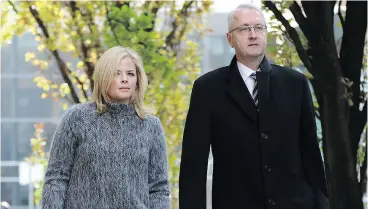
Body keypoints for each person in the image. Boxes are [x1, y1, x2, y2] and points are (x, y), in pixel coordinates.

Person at [179, 4, 328, 209]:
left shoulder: (295, 83)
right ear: (229, 39)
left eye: (259, 28)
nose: (253, 34)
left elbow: (311, 154)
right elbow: (193, 165)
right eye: (244, 29)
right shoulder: (207, 89)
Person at [42, 46, 171, 209]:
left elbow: (159, 188)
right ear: (103, 78)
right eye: (116, 73)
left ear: (138, 81)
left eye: (130, 74)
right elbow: (56, 178)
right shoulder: (77, 117)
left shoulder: (150, 125)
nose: (124, 79)